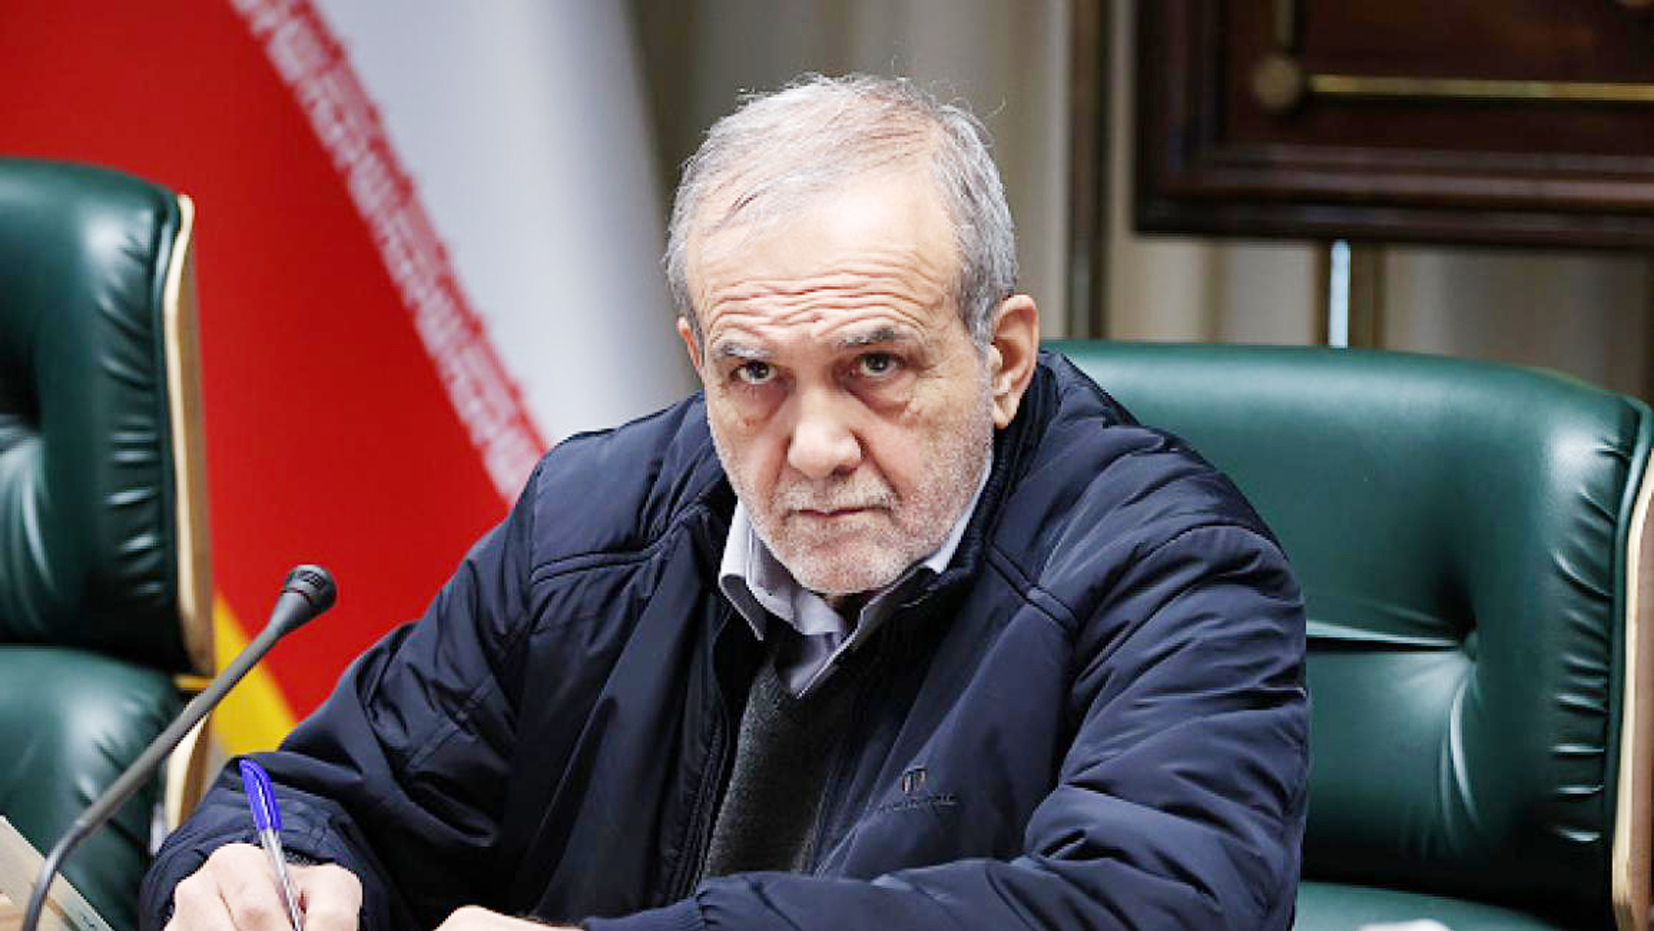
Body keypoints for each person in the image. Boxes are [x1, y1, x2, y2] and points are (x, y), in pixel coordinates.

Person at [142, 74, 1308, 931]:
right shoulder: (587, 526)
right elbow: (311, 791)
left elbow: (1151, 906)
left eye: (875, 365)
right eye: (755, 373)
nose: (814, 446)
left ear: (1000, 360)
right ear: (700, 359)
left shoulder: (1174, 569)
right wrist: (246, 863)